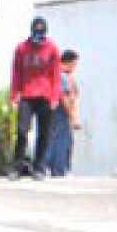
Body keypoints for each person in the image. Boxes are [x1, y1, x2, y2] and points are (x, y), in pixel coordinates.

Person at [9, 16, 61, 181]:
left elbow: (56, 75)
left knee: (44, 133)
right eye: (36, 33)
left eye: (41, 34)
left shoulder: (52, 48)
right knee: (22, 131)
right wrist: (14, 94)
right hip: (26, 95)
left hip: (45, 96)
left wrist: (54, 97)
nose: (38, 38)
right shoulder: (21, 48)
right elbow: (16, 72)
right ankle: (17, 167)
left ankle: (39, 167)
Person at [45, 49, 81, 177]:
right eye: (75, 64)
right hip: (60, 112)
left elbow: (73, 95)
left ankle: (56, 168)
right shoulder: (62, 76)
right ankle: (57, 168)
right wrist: (72, 116)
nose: (75, 67)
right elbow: (64, 97)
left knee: (59, 140)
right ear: (70, 62)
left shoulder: (64, 75)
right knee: (60, 140)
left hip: (58, 112)